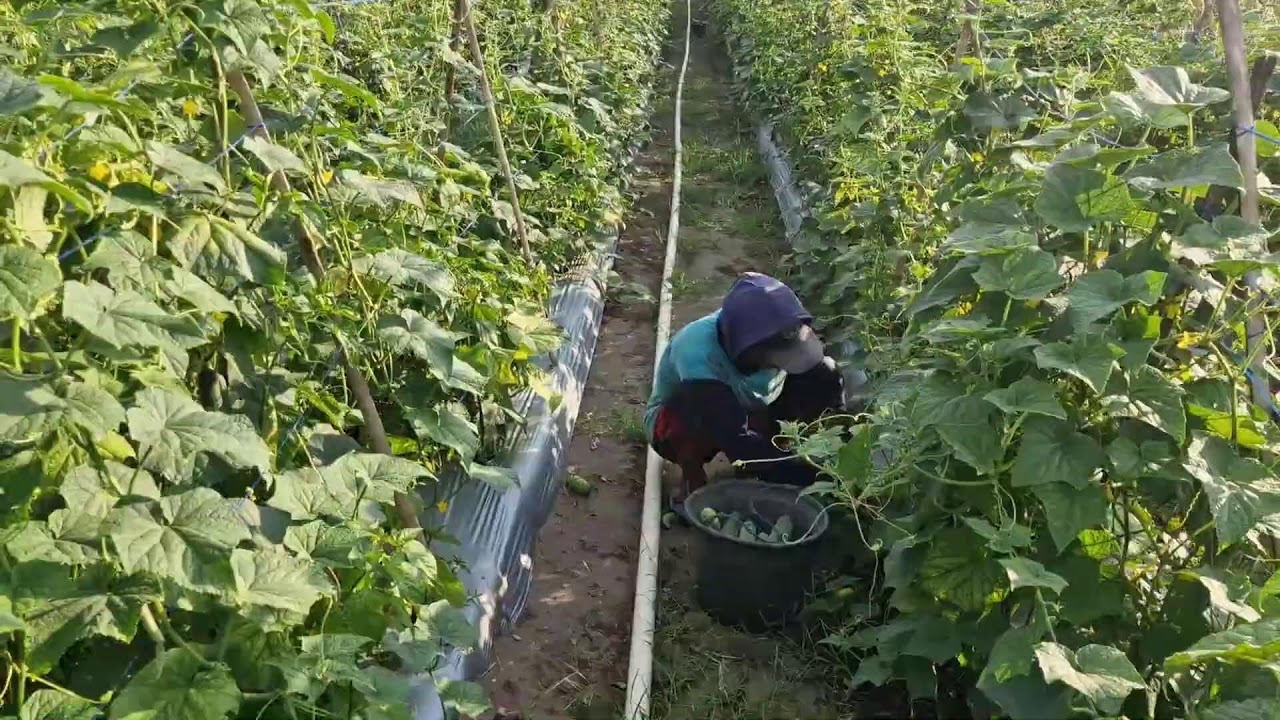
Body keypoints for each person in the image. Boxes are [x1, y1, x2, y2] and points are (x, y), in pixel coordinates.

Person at [644, 272, 845, 505]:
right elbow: (734, 438)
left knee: (824, 374)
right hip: (684, 419)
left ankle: (773, 450)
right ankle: (692, 477)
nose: (781, 363)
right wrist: (816, 477)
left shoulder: (767, 330)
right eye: (776, 357)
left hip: (749, 403)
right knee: (695, 409)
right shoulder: (697, 353)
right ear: (748, 350)